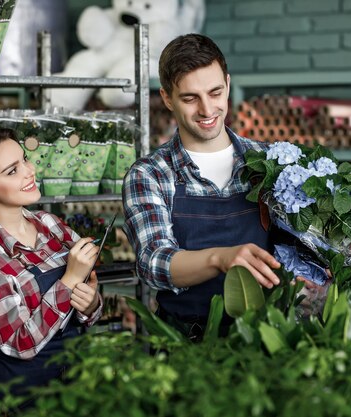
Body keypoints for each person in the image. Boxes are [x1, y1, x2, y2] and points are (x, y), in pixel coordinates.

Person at [122, 33, 284, 340]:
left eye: (215, 92)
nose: (207, 110)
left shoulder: (268, 160)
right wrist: (220, 258)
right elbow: (154, 261)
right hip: (187, 343)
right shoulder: (150, 174)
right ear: (167, 98)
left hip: (267, 337)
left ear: (228, 84)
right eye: (190, 98)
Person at [0, 128, 102, 416]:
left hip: (78, 387)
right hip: (21, 400)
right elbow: (20, 344)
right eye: (12, 170)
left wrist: (91, 304)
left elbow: (89, 307)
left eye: (25, 160)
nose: (30, 171)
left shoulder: (51, 224)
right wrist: (69, 280)